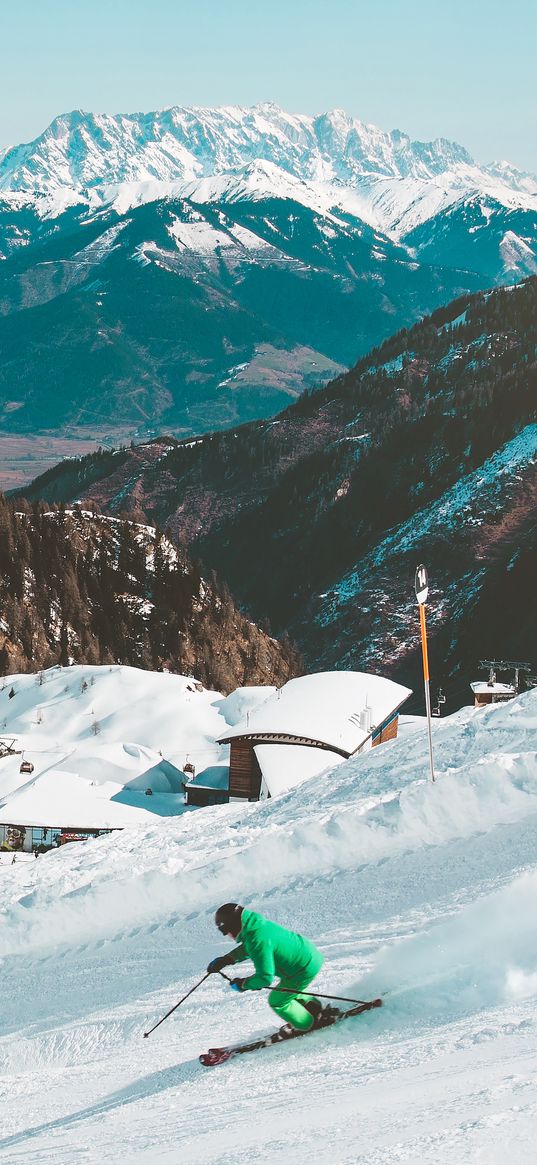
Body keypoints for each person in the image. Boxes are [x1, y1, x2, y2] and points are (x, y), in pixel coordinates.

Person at [207, 903, 338, 1035]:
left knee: (277, 1001)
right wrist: (227, 959)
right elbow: (251, 946)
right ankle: (315, 1009)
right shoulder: (256, 926)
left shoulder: (257, 939)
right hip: (308, 956)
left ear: (234, 926)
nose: (228, 935)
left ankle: (309, 1023)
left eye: (226, 931)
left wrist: (243, 984)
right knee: (288, 991)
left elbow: (265, 977)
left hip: (302, 969)